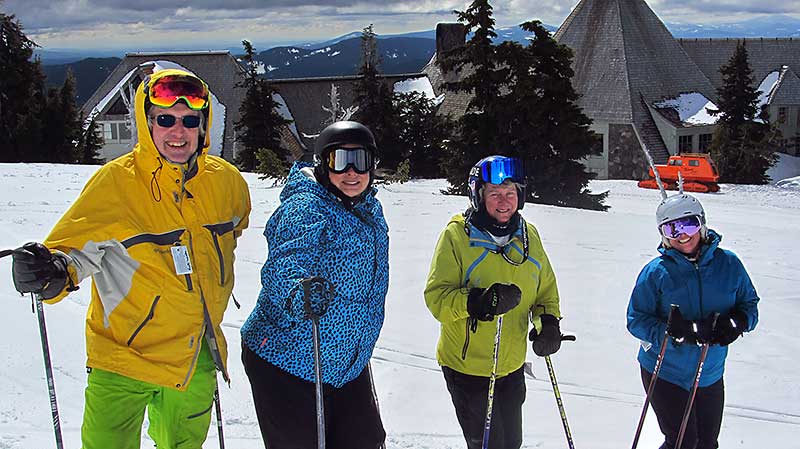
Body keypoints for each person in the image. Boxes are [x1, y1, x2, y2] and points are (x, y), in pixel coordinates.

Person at [10, 68, 251, 449]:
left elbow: (236, 226)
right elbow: (71, 252)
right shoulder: (116, 184)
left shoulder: (228, 183)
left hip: (195, 355)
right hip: (122, 358)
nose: (178, 131)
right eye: (165, 120)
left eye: (190, 121)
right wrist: (50, 271)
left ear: (203, 127)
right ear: (147, 122)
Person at [240, 120, 389, 449]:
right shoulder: (305, 207)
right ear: (324, 164)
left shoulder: (368, 207)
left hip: (345, 362)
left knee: (366, 440)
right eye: (340, 161)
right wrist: (297, 291)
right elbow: (286, 259)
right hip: (287, 359)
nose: (351, 172)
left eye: (361, 161)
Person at [424, 155, 563, 449]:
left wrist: (548, 323)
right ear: (478, 196)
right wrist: (479, 303)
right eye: (495, 193)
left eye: (510, 193)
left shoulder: (528, 236)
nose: (504, 201)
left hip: (511, 365)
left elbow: (544, 292)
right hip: (468, 368)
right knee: (489, 445)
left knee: (512, 442)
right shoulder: (457, 236)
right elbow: (437, 299)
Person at [627, 192, 759, 449]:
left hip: (709, 372)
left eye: (689, 224)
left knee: (707, 443)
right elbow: (636, 319)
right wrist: (674, 332)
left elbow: (750, 304)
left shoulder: (729, 264)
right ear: (663, 234)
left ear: (702, 224)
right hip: (665, 371)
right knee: (683, 442)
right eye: (671, 228)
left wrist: (737, 322)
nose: (682, 235)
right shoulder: (656, 272)